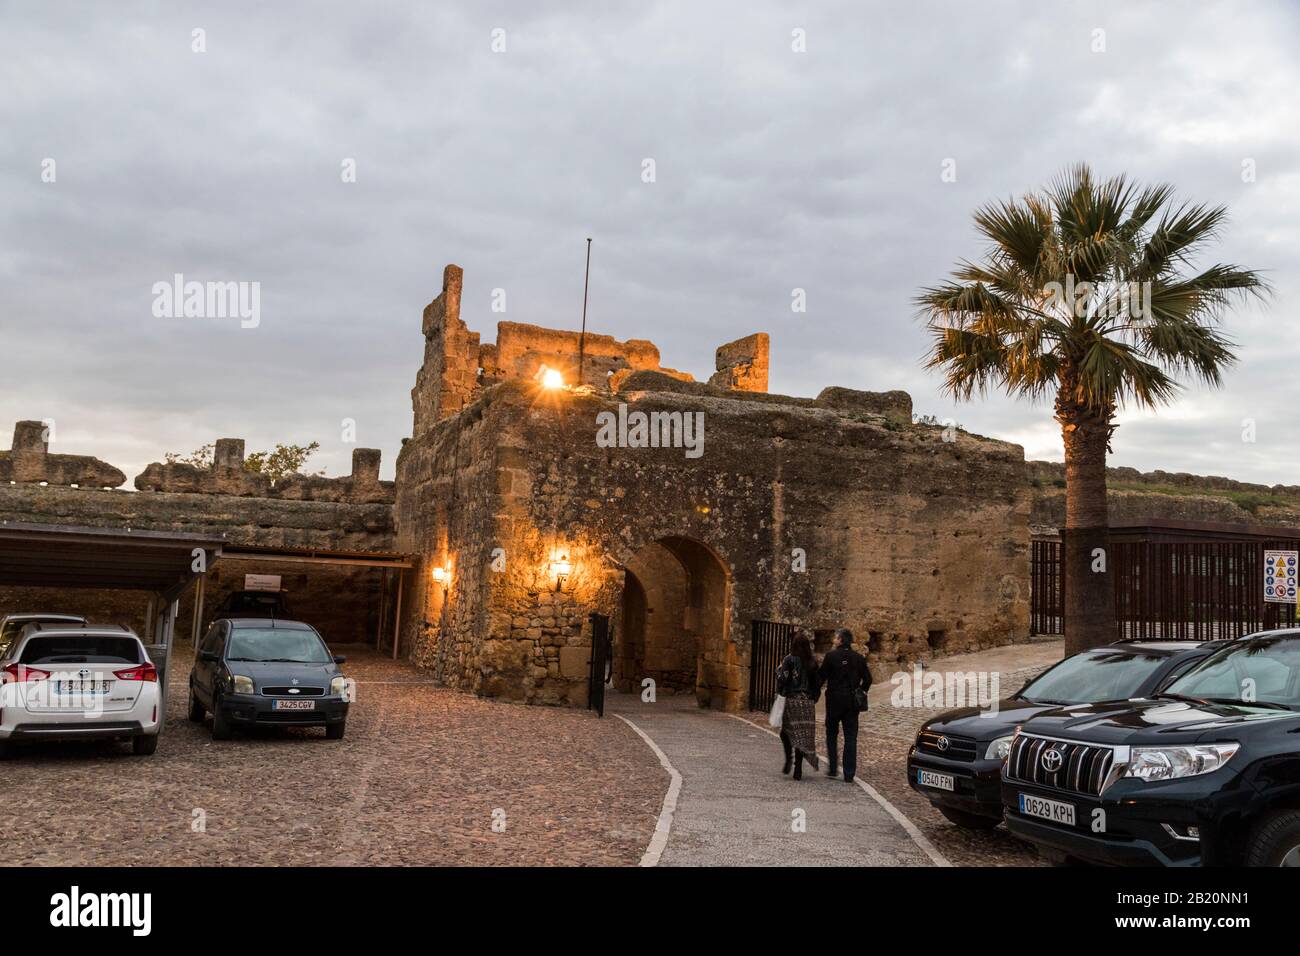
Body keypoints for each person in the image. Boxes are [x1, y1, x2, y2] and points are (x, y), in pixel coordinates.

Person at [821, 627, 871, 783]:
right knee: (850, 737)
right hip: (851, 702)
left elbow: (821, 677)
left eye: (836, 637)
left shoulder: (831, 656)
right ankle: (849, 773)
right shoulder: (858, 658)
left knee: (831, 734)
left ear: (841, 640)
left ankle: (833, 768)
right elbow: (868, 679)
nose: (833, 639)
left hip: (834, 700)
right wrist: (860, 691)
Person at [777, 632, 820, 780]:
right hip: (807, 703)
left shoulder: (789, 660)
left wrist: (779, 673)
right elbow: (817, 683)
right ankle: (798, 768)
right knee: (802, 736)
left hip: (792, 701)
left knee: (787, 732)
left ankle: (789, 758)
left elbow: (783, 679)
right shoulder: (812, 662)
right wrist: (813, 698)